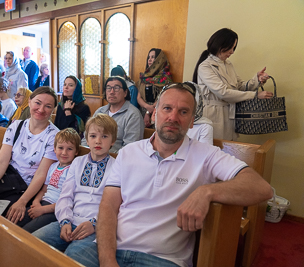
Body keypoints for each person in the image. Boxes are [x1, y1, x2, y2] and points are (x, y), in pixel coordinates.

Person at [70, 83, 273, 267]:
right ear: (155, 112)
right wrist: (107, 260)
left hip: (162, 259)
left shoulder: (206, 155)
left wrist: (207, 191)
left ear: (192, 121)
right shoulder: (128, 152)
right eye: (167, 108)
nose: (173, 117)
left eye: (183, 112)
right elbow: (108, 207)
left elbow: (261, 189)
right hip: (110, 248)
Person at [32, 114, 117, 259]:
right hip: (70, 220)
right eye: (93, 136)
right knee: (33, 242)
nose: (98, 141)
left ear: (112, 141)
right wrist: (65, 220)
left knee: (74, 255)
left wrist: (95, 224)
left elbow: (115, 205)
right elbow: (66, 196)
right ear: (87, 139)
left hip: (95, 227)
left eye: (104, 136)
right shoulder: (78, 163)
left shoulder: (116, 167)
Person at [0, 87, 59, 226]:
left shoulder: (54, 136)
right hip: (8, 180)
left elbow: (41, 174)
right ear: (30, 102)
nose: (41, 109)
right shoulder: (16, 127)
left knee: (3, 223)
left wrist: (22, 202)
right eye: (38, 103)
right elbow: (2, 161)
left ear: (53, 110)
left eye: (48, 106)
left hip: (27, 189)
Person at [193, 28, 273, 141]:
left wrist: (257, 80)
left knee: (229, 150)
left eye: (234, 47)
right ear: (219, 44)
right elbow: (223, 93)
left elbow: (239, 86)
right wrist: (255, 95)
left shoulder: (228, 64)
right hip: (214, 116)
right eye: (230, 47)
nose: (232, 52)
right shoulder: (205, 66)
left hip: (230, 115)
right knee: (214, 151)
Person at [22, 128, 81, 233]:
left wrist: (42, 210)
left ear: (76, 151)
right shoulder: (53, 166)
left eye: (69, 149)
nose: (64, 152)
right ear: (54, 149)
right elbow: (44, 190)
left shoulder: (73, 170)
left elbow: (69, 201)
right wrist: (36, 202)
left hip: (56, 210)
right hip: (42, 204)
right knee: (15, 220)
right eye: (60, 148)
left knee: (26, 231)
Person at [81, 76, 144, 153]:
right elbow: (86, 138)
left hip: (116, 160)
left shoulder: (133, 114)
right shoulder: (100, 111)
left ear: (125, 92)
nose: (112, 92)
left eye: (116, 88)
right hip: (93, 156)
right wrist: (84, 152)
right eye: (108, 88)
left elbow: (129, 149)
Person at [136, 48, 173, 127]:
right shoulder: (143, 77)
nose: (150, 60)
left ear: (159, 60)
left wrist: (149, 112)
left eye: (153, 57)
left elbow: (162, 97)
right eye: (149, 57)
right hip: (142, 112)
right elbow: (139, 98)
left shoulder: (165, 78)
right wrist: (147, 108)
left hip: (158, 112)